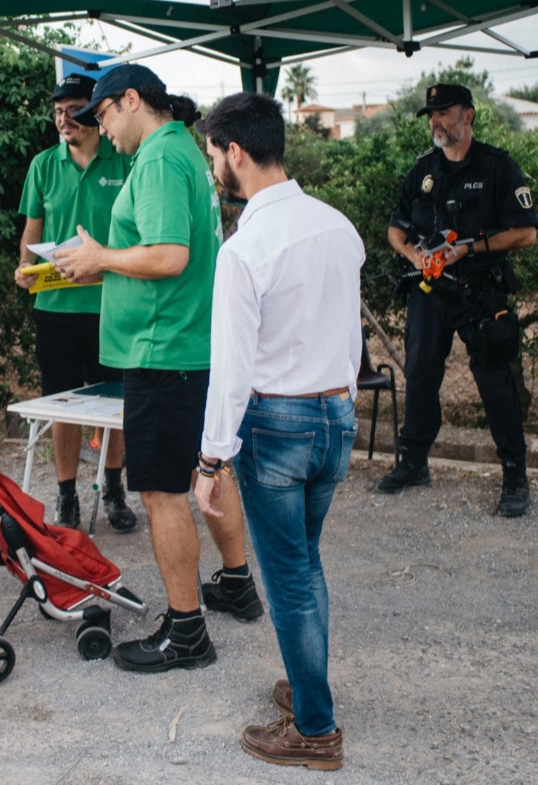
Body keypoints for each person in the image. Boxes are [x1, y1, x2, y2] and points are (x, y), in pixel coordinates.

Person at [56, 64, 263, 673]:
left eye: (101, 115)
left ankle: (187, 633)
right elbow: (167, 250)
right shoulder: (180, 154)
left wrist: (100, 255)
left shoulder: (157, 160)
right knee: (208, 466)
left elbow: (170, 256)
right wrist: (103, 265)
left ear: (130, 101)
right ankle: (235, 583)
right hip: (187, 345)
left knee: (162, 492)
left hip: (162, 348)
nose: (99, 128)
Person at [193, 92, 362, 771]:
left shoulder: (244, 248)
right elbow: (345, 335)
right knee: (304, 563)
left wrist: (210, 459)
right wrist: (341, 399)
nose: (214, 170)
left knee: (289, 576)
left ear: (235, 153)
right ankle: (306, 683)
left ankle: (314, 728)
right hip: (334, 414)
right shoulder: (336, 226)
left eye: (213, 157)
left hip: (278, 421)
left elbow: (231, 368)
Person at [378, 84, 538, 517]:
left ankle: (514, 474)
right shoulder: (423, 170)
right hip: (430, 292)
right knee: (421, 373)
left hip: (481, 291)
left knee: (494, 381)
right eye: (431, 114)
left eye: (444, 113)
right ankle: (414, 463)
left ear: (467, 116)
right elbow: (396, 230)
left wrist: (471, 248)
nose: (436, 121)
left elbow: (526, 232)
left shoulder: (498, 166)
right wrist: (414, 253)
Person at [15, 73, 137, 532]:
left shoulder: (124, 160)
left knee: (116, 407)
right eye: (57, 111)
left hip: (113, 305)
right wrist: (24, 268)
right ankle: (66, 496)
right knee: (60, 405)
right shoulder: (42, 165)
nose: (64, 118)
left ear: (93, 111)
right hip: (56, 308)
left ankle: (114, 489)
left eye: (73, 109)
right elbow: (33, 227)